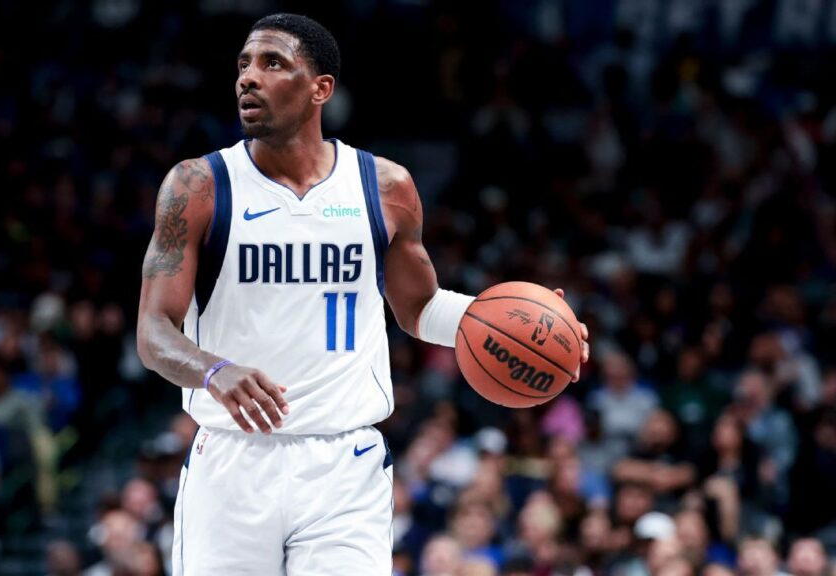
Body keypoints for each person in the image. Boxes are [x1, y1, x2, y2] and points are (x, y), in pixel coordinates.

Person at [135, 13, 590, 574]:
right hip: (232, 461)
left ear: (320, 88)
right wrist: (212, 371)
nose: (248, 77)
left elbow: (419, 307)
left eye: (272, 63)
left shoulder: (384, 186)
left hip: (344, 466)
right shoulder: (197, 186)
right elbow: (154, 332)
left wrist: (533, 324)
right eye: (244, 64)